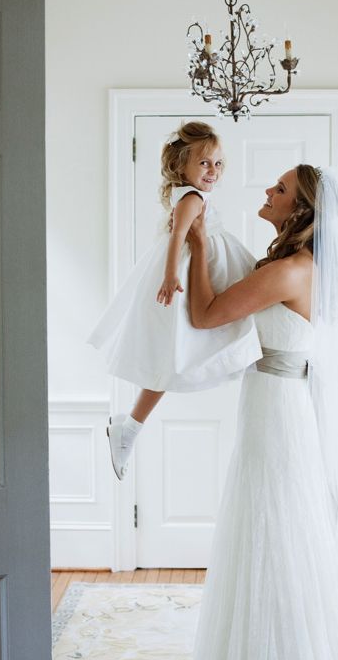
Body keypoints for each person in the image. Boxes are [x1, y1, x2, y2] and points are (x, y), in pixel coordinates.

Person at [183, 164, 338, 660]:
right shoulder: (301, 267)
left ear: (302, 210)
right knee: (276, 525)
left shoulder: (291, 271)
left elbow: (205, 315)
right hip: (277, 400)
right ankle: (270, 658)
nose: (267, 190)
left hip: (277, 408)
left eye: (279, 189)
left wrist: (199, 244)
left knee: (270, 526)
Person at [88, 121, 261, 479]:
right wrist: (171, 275)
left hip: (205, 265)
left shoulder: (195, 197)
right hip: (188, 273)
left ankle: (130, 426)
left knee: (175, 356)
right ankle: (129, 427)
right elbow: (177, 236)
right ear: (181, 166)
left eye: (218, 163)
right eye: (203, 163)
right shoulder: (192, 198)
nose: (213, 171)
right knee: (174, 355)